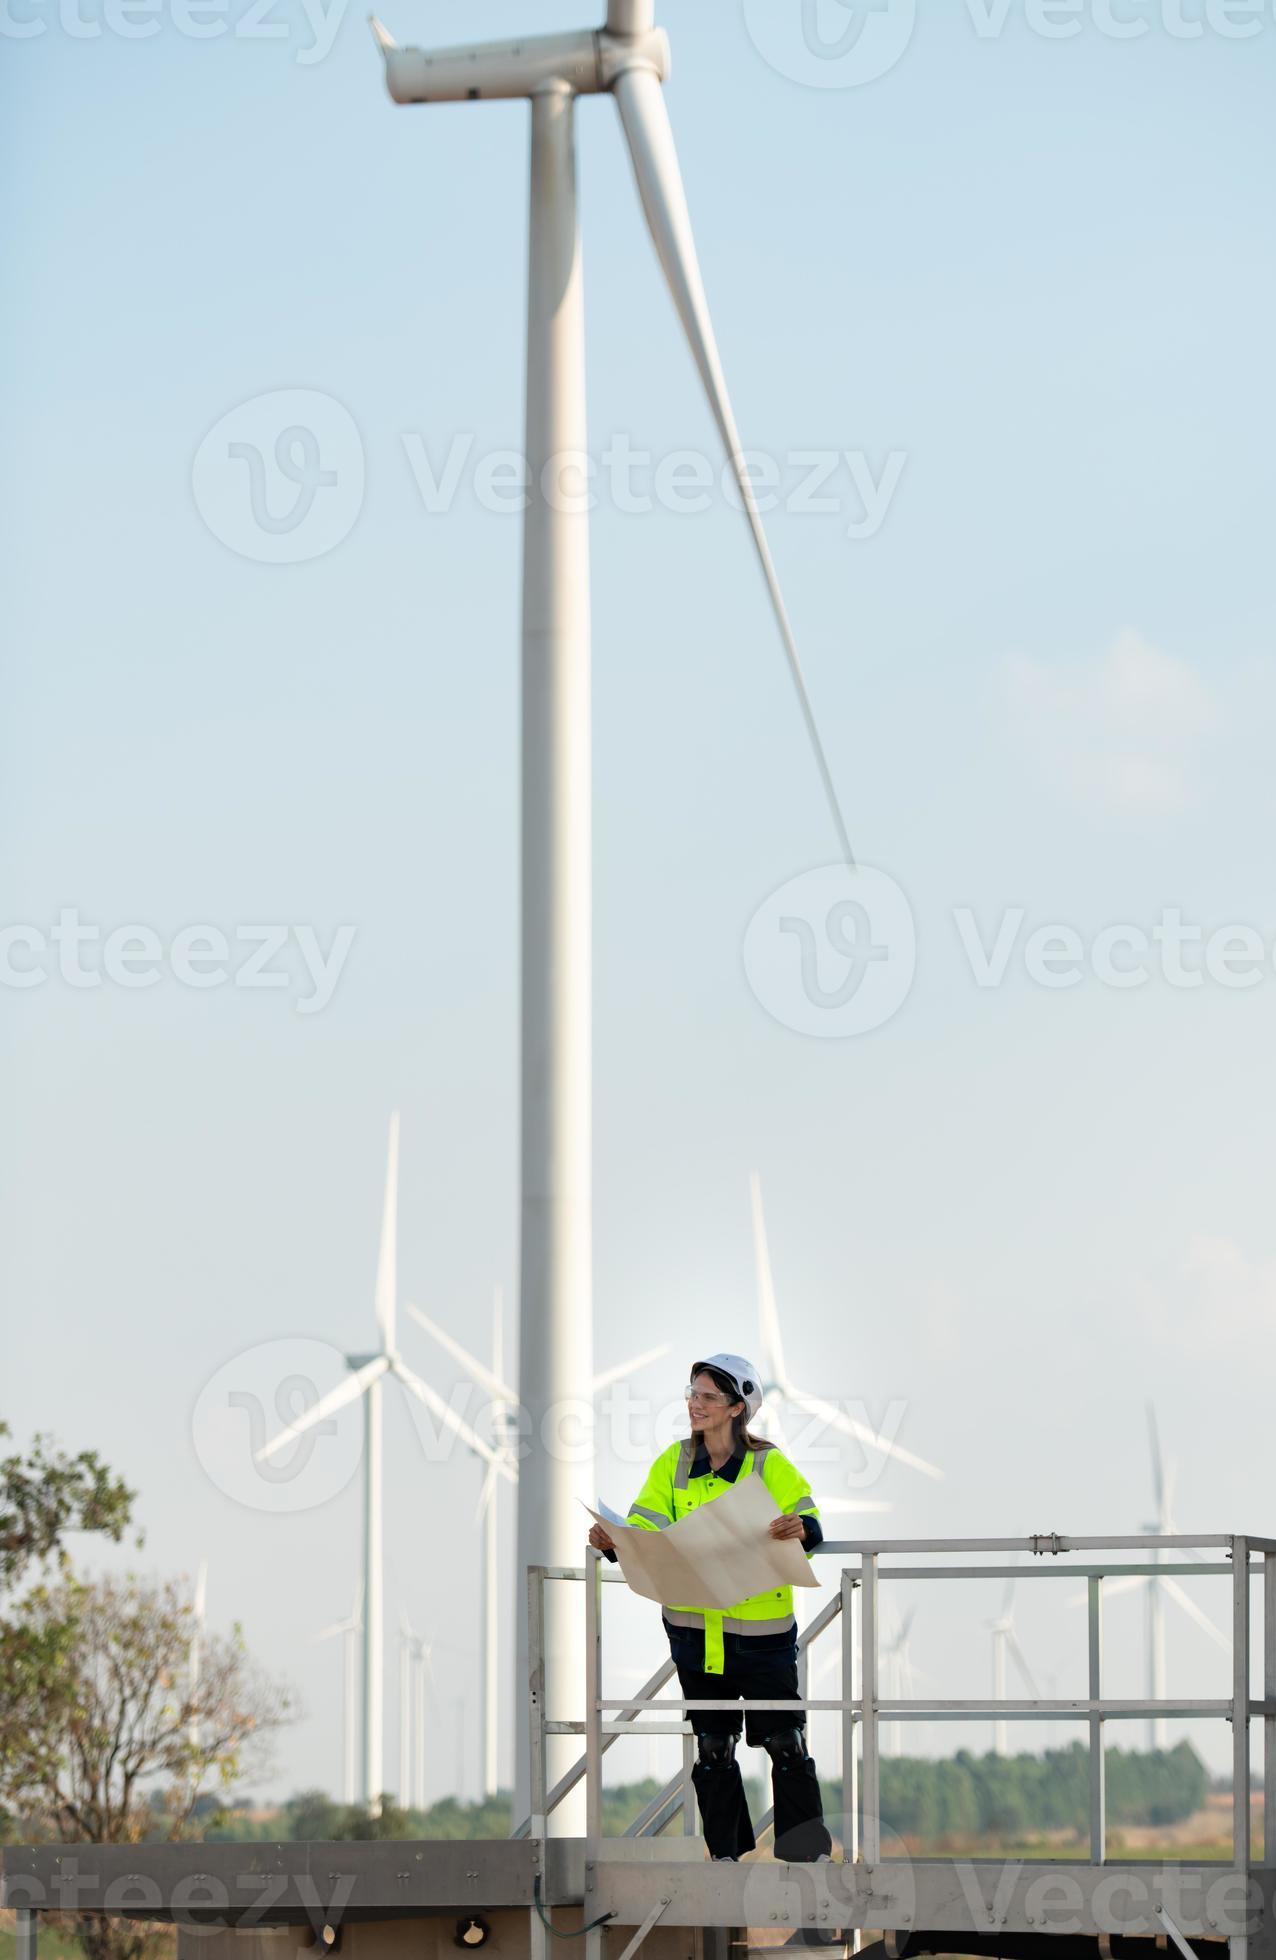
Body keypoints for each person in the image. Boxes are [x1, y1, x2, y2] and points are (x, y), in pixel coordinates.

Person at [589, 1353, 833, 1865]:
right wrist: (612, 1542)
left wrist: (801, 1528)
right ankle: (725, 1861)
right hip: (695, 1634)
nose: (694, 1405)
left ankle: (806, 1858)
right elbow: (643, 1533)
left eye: (706, 1397)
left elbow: (809, 1517)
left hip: (763, 1636)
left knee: (786, 1742)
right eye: (691, 1394)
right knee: (713, 1748)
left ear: (736, 1407)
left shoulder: (770, 1464)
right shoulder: (672, 1463)